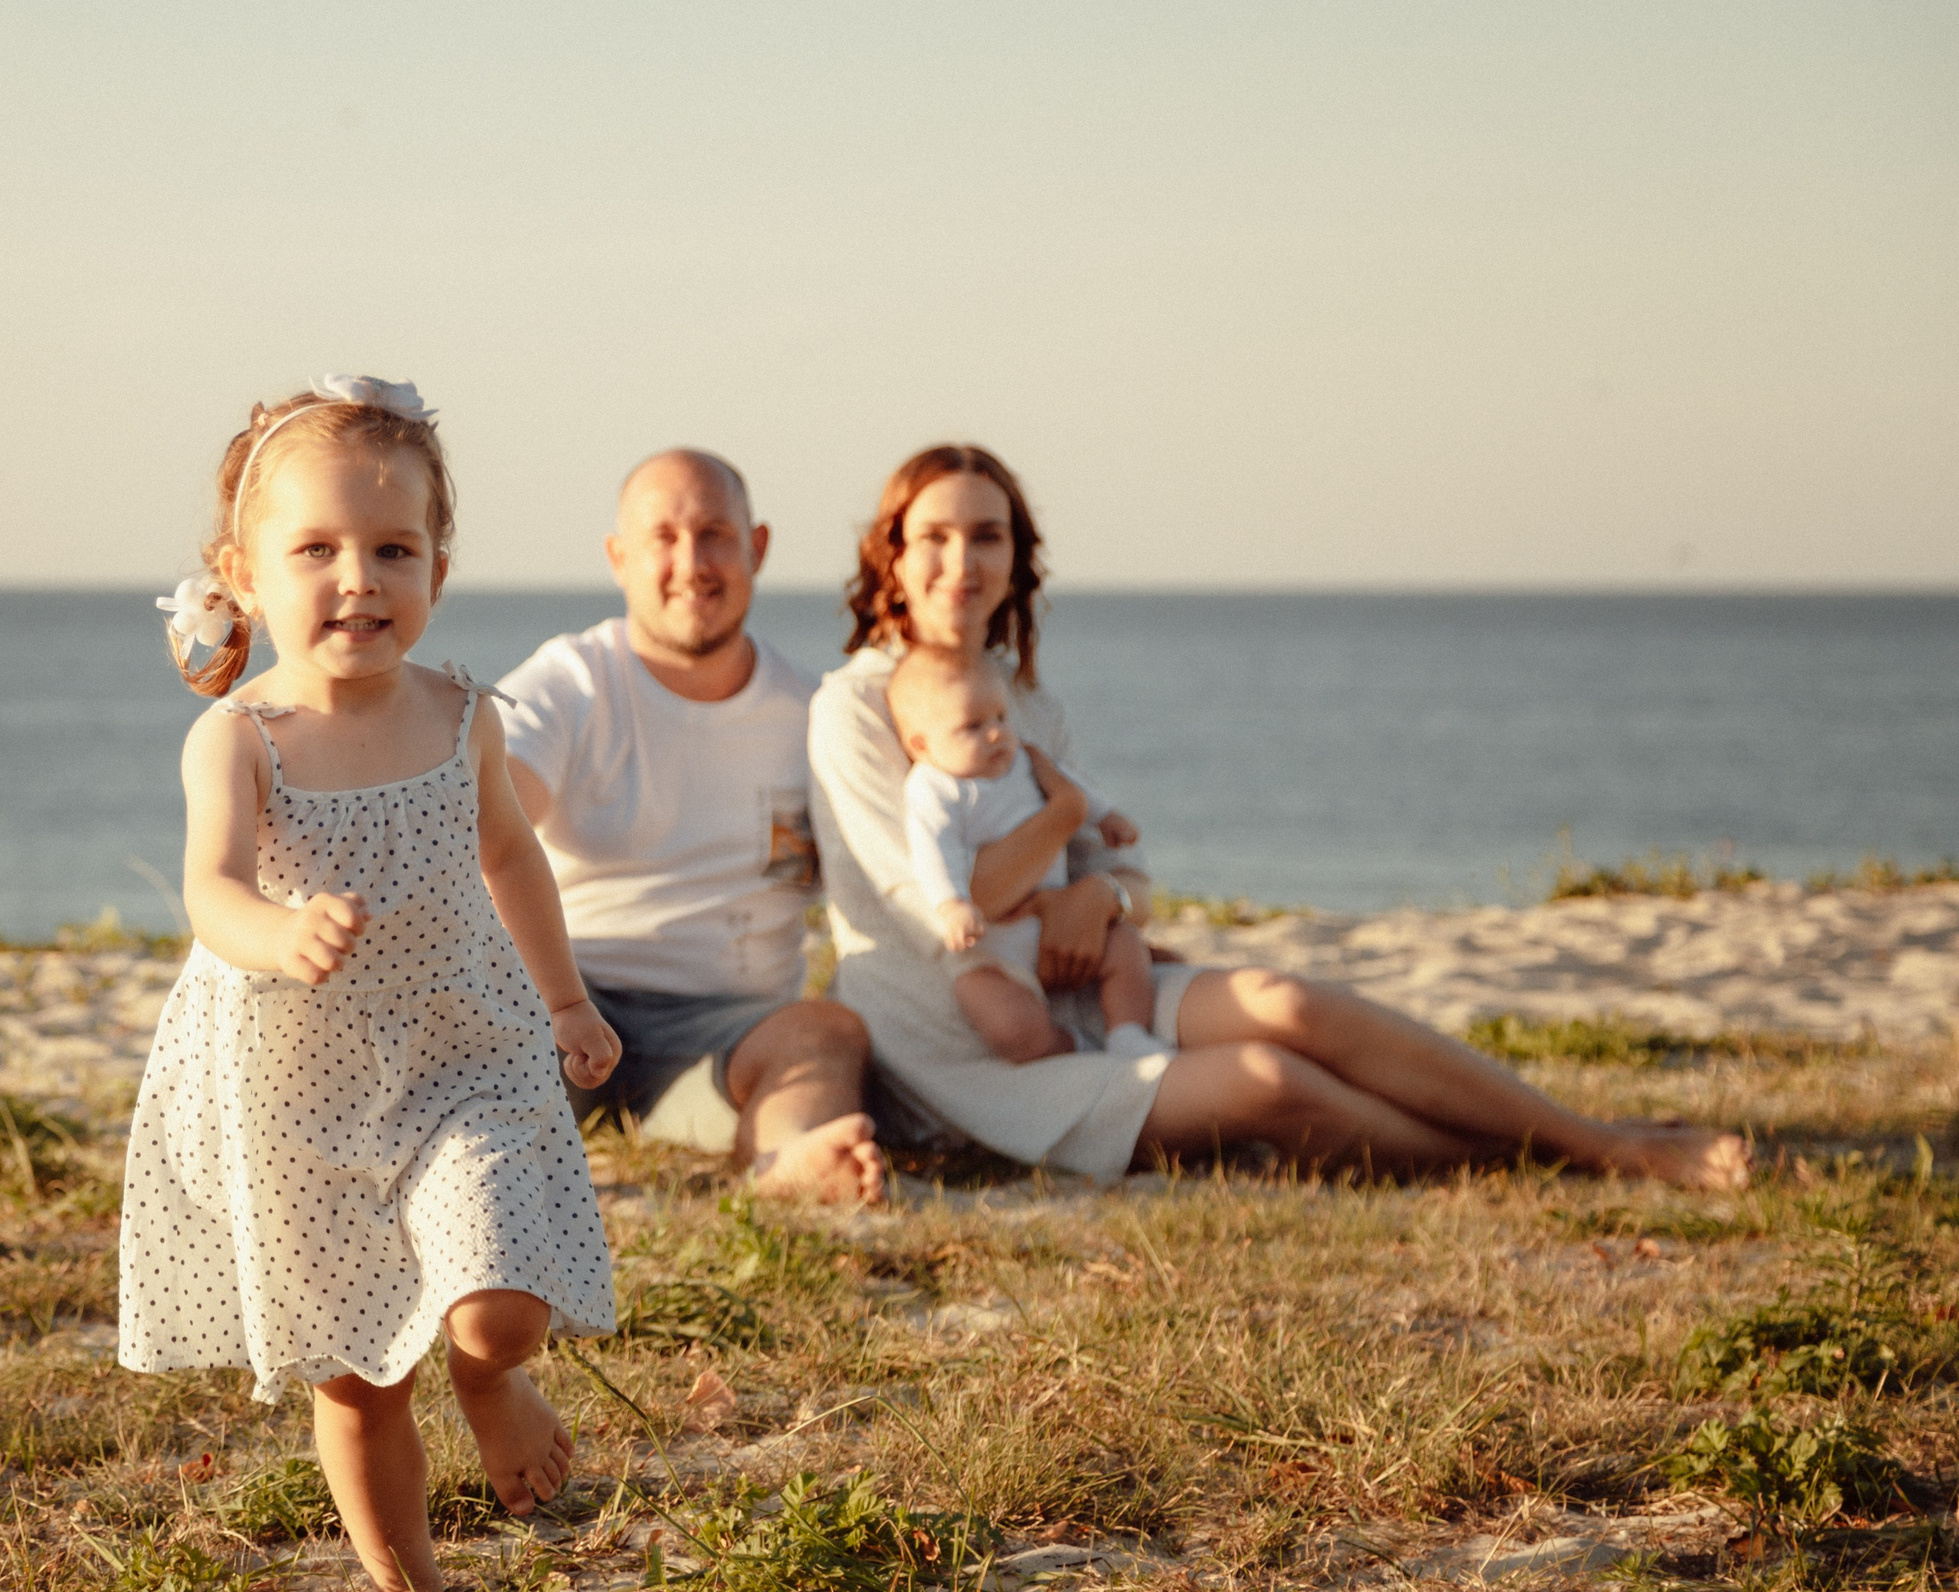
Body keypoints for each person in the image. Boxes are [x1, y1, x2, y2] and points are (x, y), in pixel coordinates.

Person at [809, 442, 1752, 1189]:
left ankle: (1595, 1137)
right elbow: (958, 899)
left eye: (986, 536)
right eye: (932, 536)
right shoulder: (851, 708)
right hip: (971, 1049)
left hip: (1090, 987)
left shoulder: (1030, 706)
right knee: (1268, 1078)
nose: (960, 561)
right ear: (890, 557)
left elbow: (1126, 874)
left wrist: (1104, 904)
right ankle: (1575, 1157)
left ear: (1017, 562)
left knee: (1287, 1003)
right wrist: (1063, 835)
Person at [117, 376, 620, 1592]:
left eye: (393, 549)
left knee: (498, 1300)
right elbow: (209, 890)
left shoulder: (461, 718)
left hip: (466, 1052)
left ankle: (490, 1380)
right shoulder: (241, 737)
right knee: (353, 1373)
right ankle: (407, 1591)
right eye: (317, 550)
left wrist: (562, 999)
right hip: (299, 1088)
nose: (360, 578)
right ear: (241, 572)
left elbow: (511, 856)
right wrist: (276, 934)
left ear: (437, 568)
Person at [497, 448, 887, 1205]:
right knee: (501, 1020)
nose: (691, 561)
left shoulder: (817, 712)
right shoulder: (573, 681)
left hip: (733, 1029)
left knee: (828, 1033)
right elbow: (486, 817)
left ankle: (788, 1163)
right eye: (663, 538)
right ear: (619, 558)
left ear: (758, 546)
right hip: (568, 1000)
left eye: (714, 533)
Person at [886, 643, 1161, 1064]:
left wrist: (1108, 817)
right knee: (1008, 1025)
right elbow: (932, 851)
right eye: (972, 727)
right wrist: (952, 904)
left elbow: (1073, 788)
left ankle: (1128, 1035)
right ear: (921, 746)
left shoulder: (1023, 760)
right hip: (993, 946)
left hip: (1056, 925)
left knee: (1125, 947)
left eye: (1000, 717)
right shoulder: (933, 788)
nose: (996, 733)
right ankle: (1073, 1049)